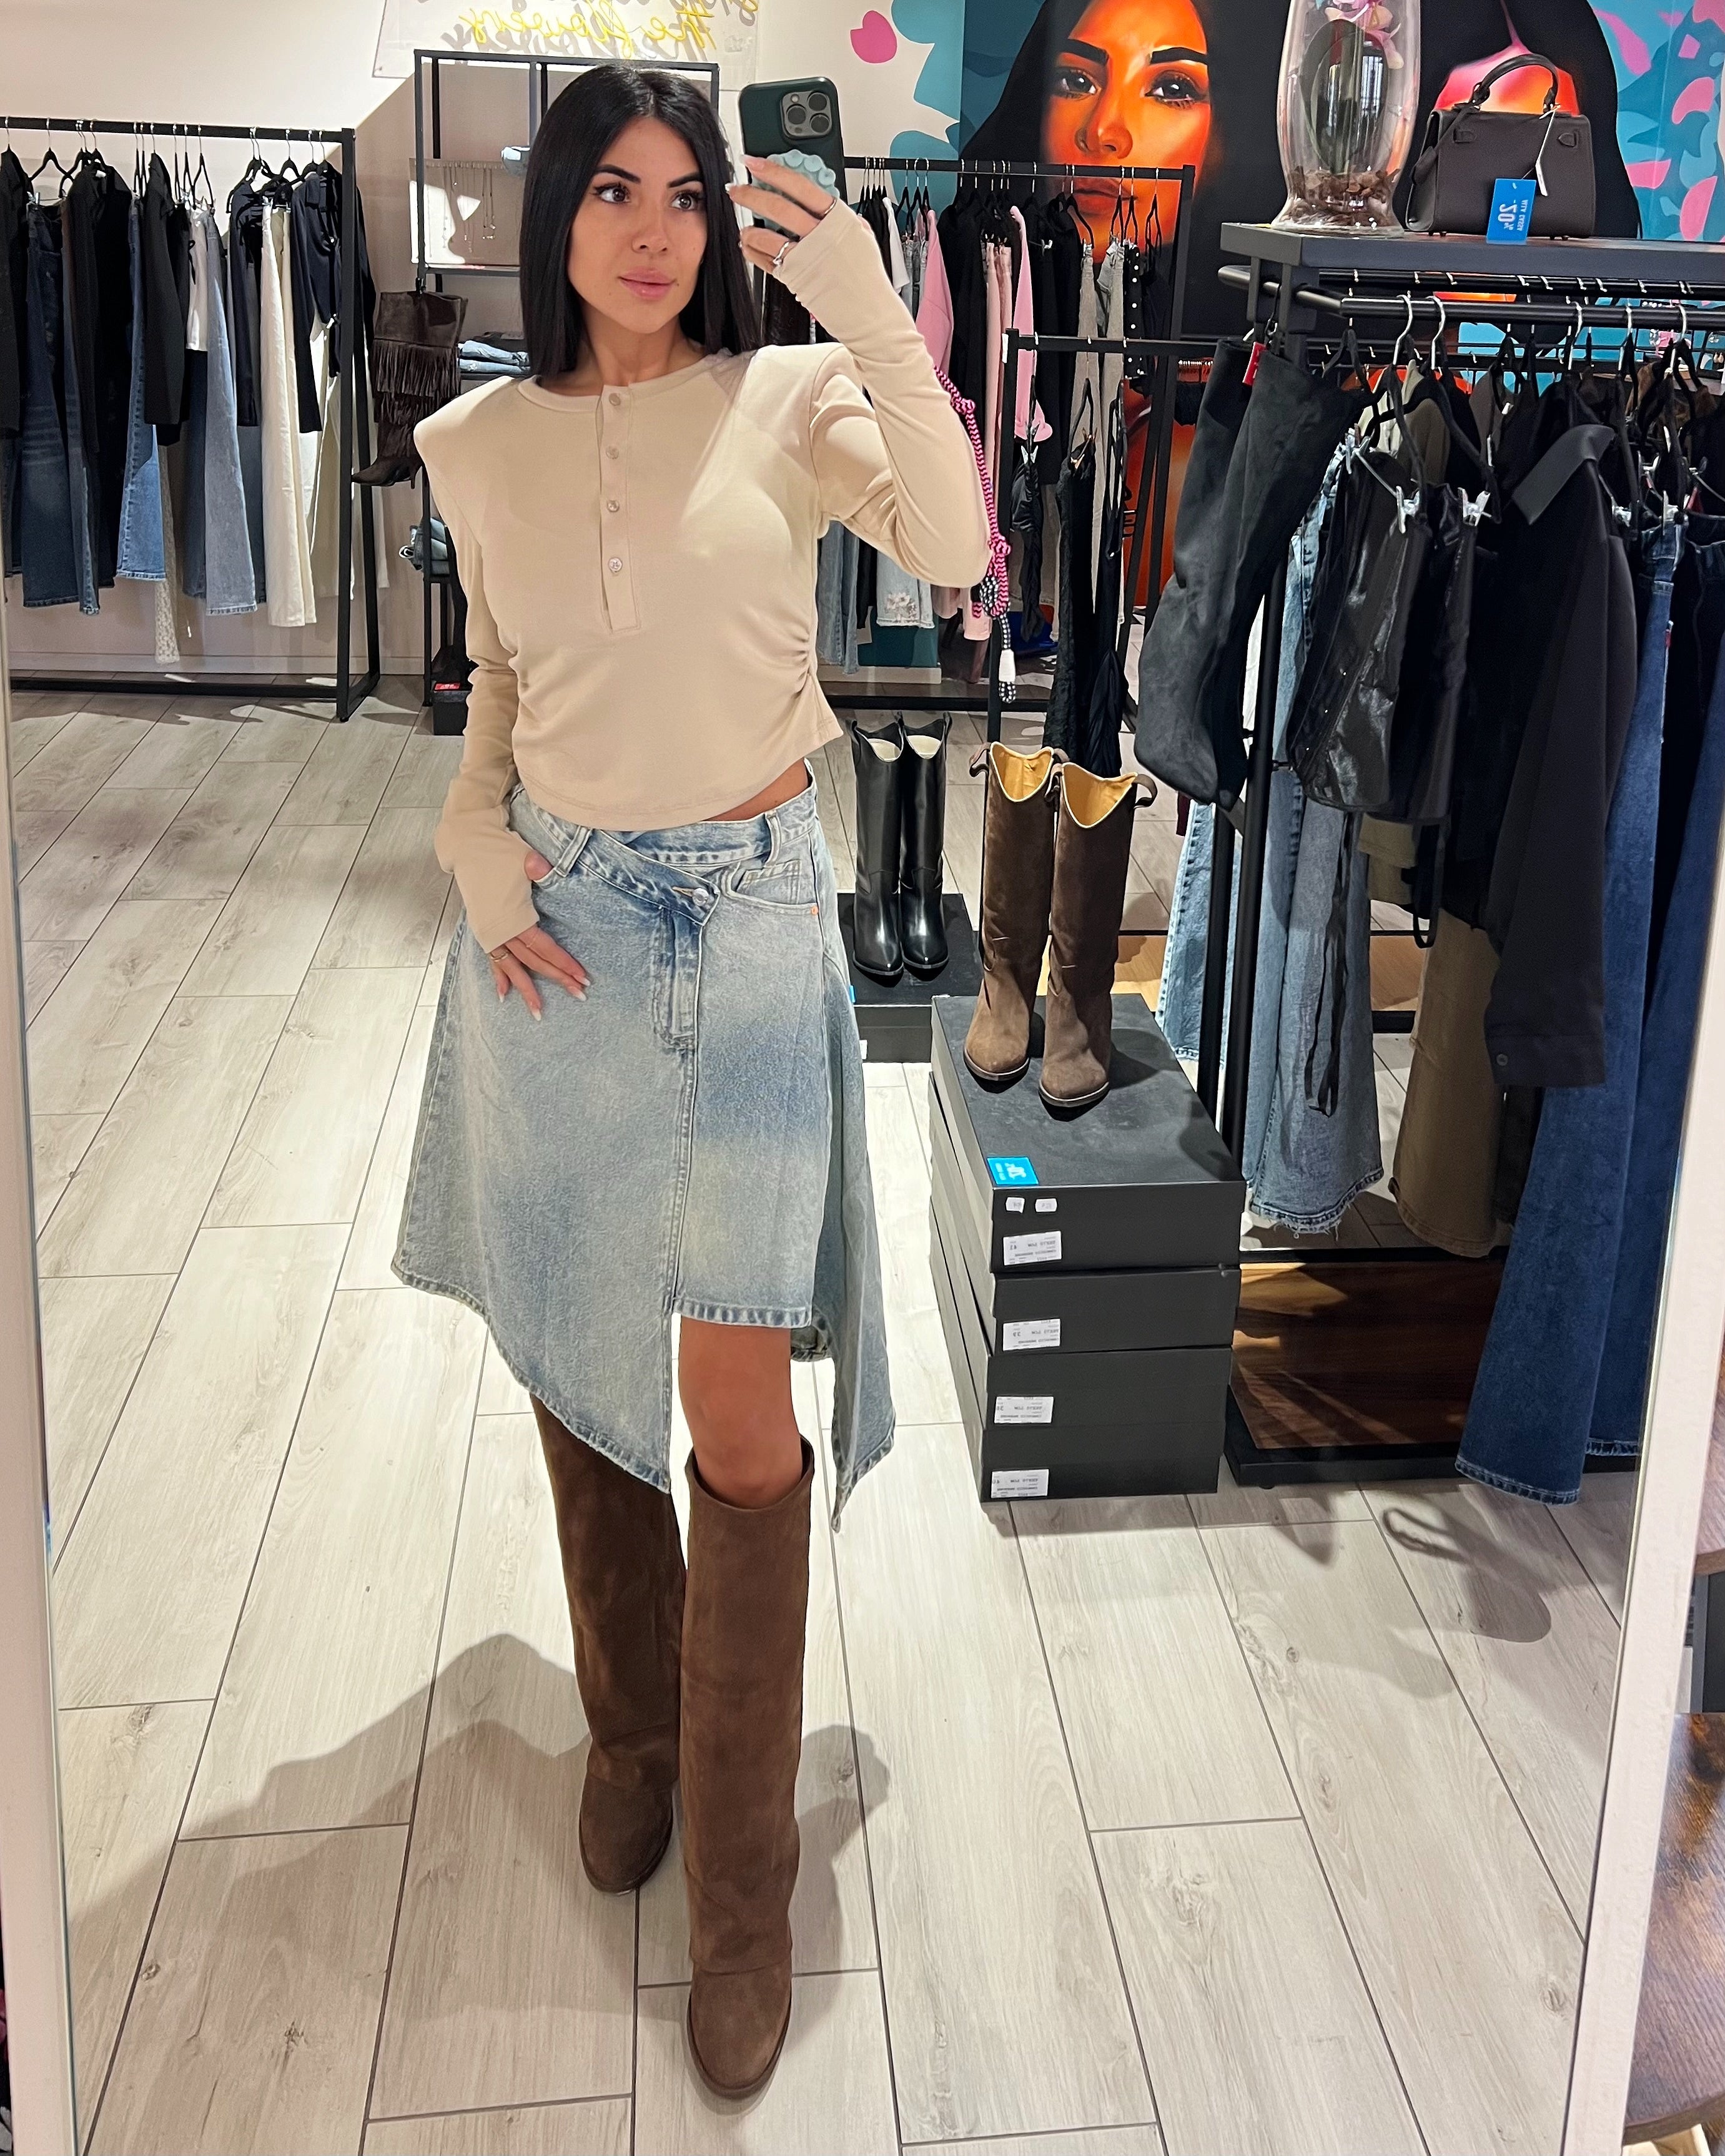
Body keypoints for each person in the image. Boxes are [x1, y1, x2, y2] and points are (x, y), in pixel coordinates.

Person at [392, 64, 989, 2099]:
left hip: (745, 922)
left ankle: (742, 1893)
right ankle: (629, 1740)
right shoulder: (474, 444)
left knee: (736, 1409)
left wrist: (867, 299)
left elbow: (957, 538)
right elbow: (497, 693)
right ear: (555, 213)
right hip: (556, 924)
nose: (651, 231)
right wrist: (471, 846)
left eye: (682, 196)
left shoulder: (791, 397)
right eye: (611, 192)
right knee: (577, 1356)